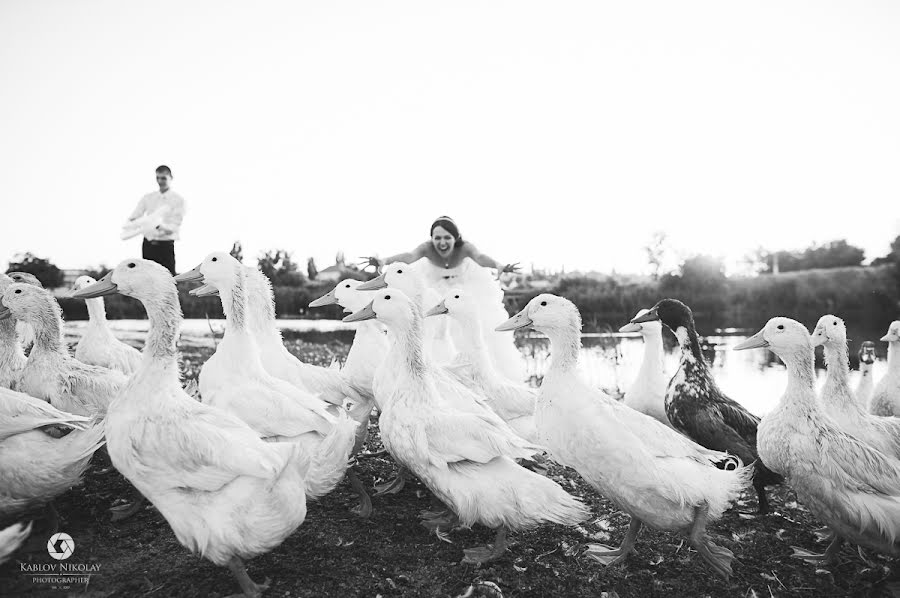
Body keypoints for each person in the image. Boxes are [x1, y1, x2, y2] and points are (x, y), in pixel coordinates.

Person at [364, 216, 525, 381]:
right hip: (437, 292)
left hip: (464, 290)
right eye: (437, 238)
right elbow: (409, 256)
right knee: (434, 330)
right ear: (432, 238)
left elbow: (480, 257)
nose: (442, 242)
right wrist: (384, 261)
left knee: (479, 328)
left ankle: (486, 379)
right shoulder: (427, 248)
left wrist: (498, 265)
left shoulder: (465, 248)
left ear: (455, 238)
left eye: (447, 237)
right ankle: (439, 379)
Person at [127, 165, 185, 275]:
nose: (160, 181)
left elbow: (174, 226)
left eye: (163, 178)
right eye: (157, 178)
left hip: (165, 246)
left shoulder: (178, 200)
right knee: (147, 279)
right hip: (148, 245)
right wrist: (135, 223)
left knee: (168, 280)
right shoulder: (148, 198)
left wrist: (156, 225)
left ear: (171, 177)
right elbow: (134, 216)